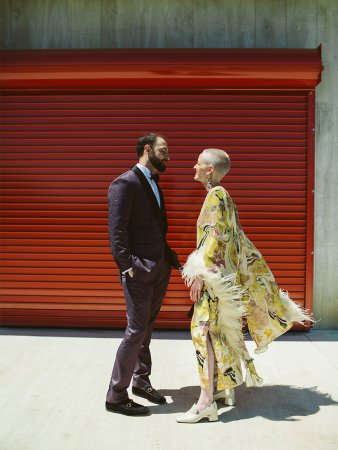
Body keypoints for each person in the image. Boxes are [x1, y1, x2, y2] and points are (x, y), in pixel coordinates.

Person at [176, 148, 313, 424]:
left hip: (214, 283)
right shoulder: (223, 196)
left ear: (210, 170)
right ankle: (223, 390)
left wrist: (201, 273)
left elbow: (217, 236)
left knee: (202, 334)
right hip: (222, 281)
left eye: (199, 164)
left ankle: (205, 402)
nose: (194, 166)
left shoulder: (216, 195)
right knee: (218, 334)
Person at [106, 133, 181, 416]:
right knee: (135, 331)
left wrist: (166, 258)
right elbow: (117, 232)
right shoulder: (124, 183)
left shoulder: (153, 181)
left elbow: (155, 227)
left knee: (146, 329)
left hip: (158, 267)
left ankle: (141, 381)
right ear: (147, 149)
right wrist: (128, 267)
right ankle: (115, 395)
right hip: (138, 270)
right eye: (164, 150)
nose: (168, 155)